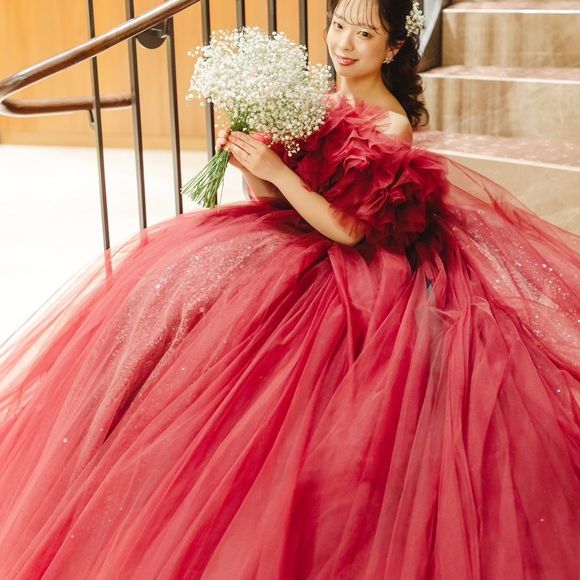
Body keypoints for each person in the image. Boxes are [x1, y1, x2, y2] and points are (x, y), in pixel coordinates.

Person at [0, 0, 578, 577]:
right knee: (171, 288)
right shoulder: (316, 100)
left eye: (365, 34)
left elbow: (350, 231)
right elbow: (274, 199)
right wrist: (252, 162)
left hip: (361, 261)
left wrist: (277, 171)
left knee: (290, 364)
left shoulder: (390, 123)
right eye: (338, 26)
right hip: (297, 234)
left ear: (394, 47)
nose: (344, 43)